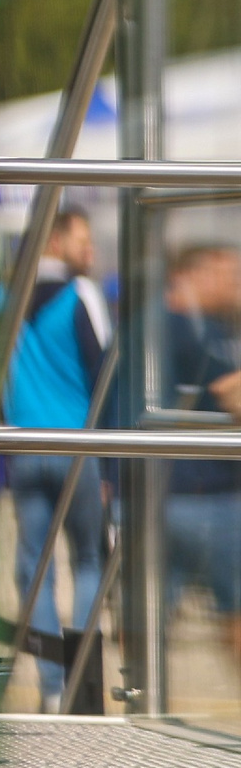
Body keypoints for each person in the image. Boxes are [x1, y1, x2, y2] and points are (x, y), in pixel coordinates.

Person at [2, 207, 110, 711]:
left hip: (24, 448)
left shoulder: (3, 298)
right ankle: (81, 679)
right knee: (88, 558)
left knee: (35, 568)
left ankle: (50, 687)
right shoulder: (80, 293)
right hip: (77, 447)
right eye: (80, 240)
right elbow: (105, 373)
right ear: (54, 242)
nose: (88, 250)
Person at [165, 243, 241, 669]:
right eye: (228, 275)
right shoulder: (190, 329)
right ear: (193, 275)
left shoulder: (205, 328)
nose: (235, 285)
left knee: (152, 614)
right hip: (205, 494)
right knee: (235, 612)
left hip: (167, 491)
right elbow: (230, 391)